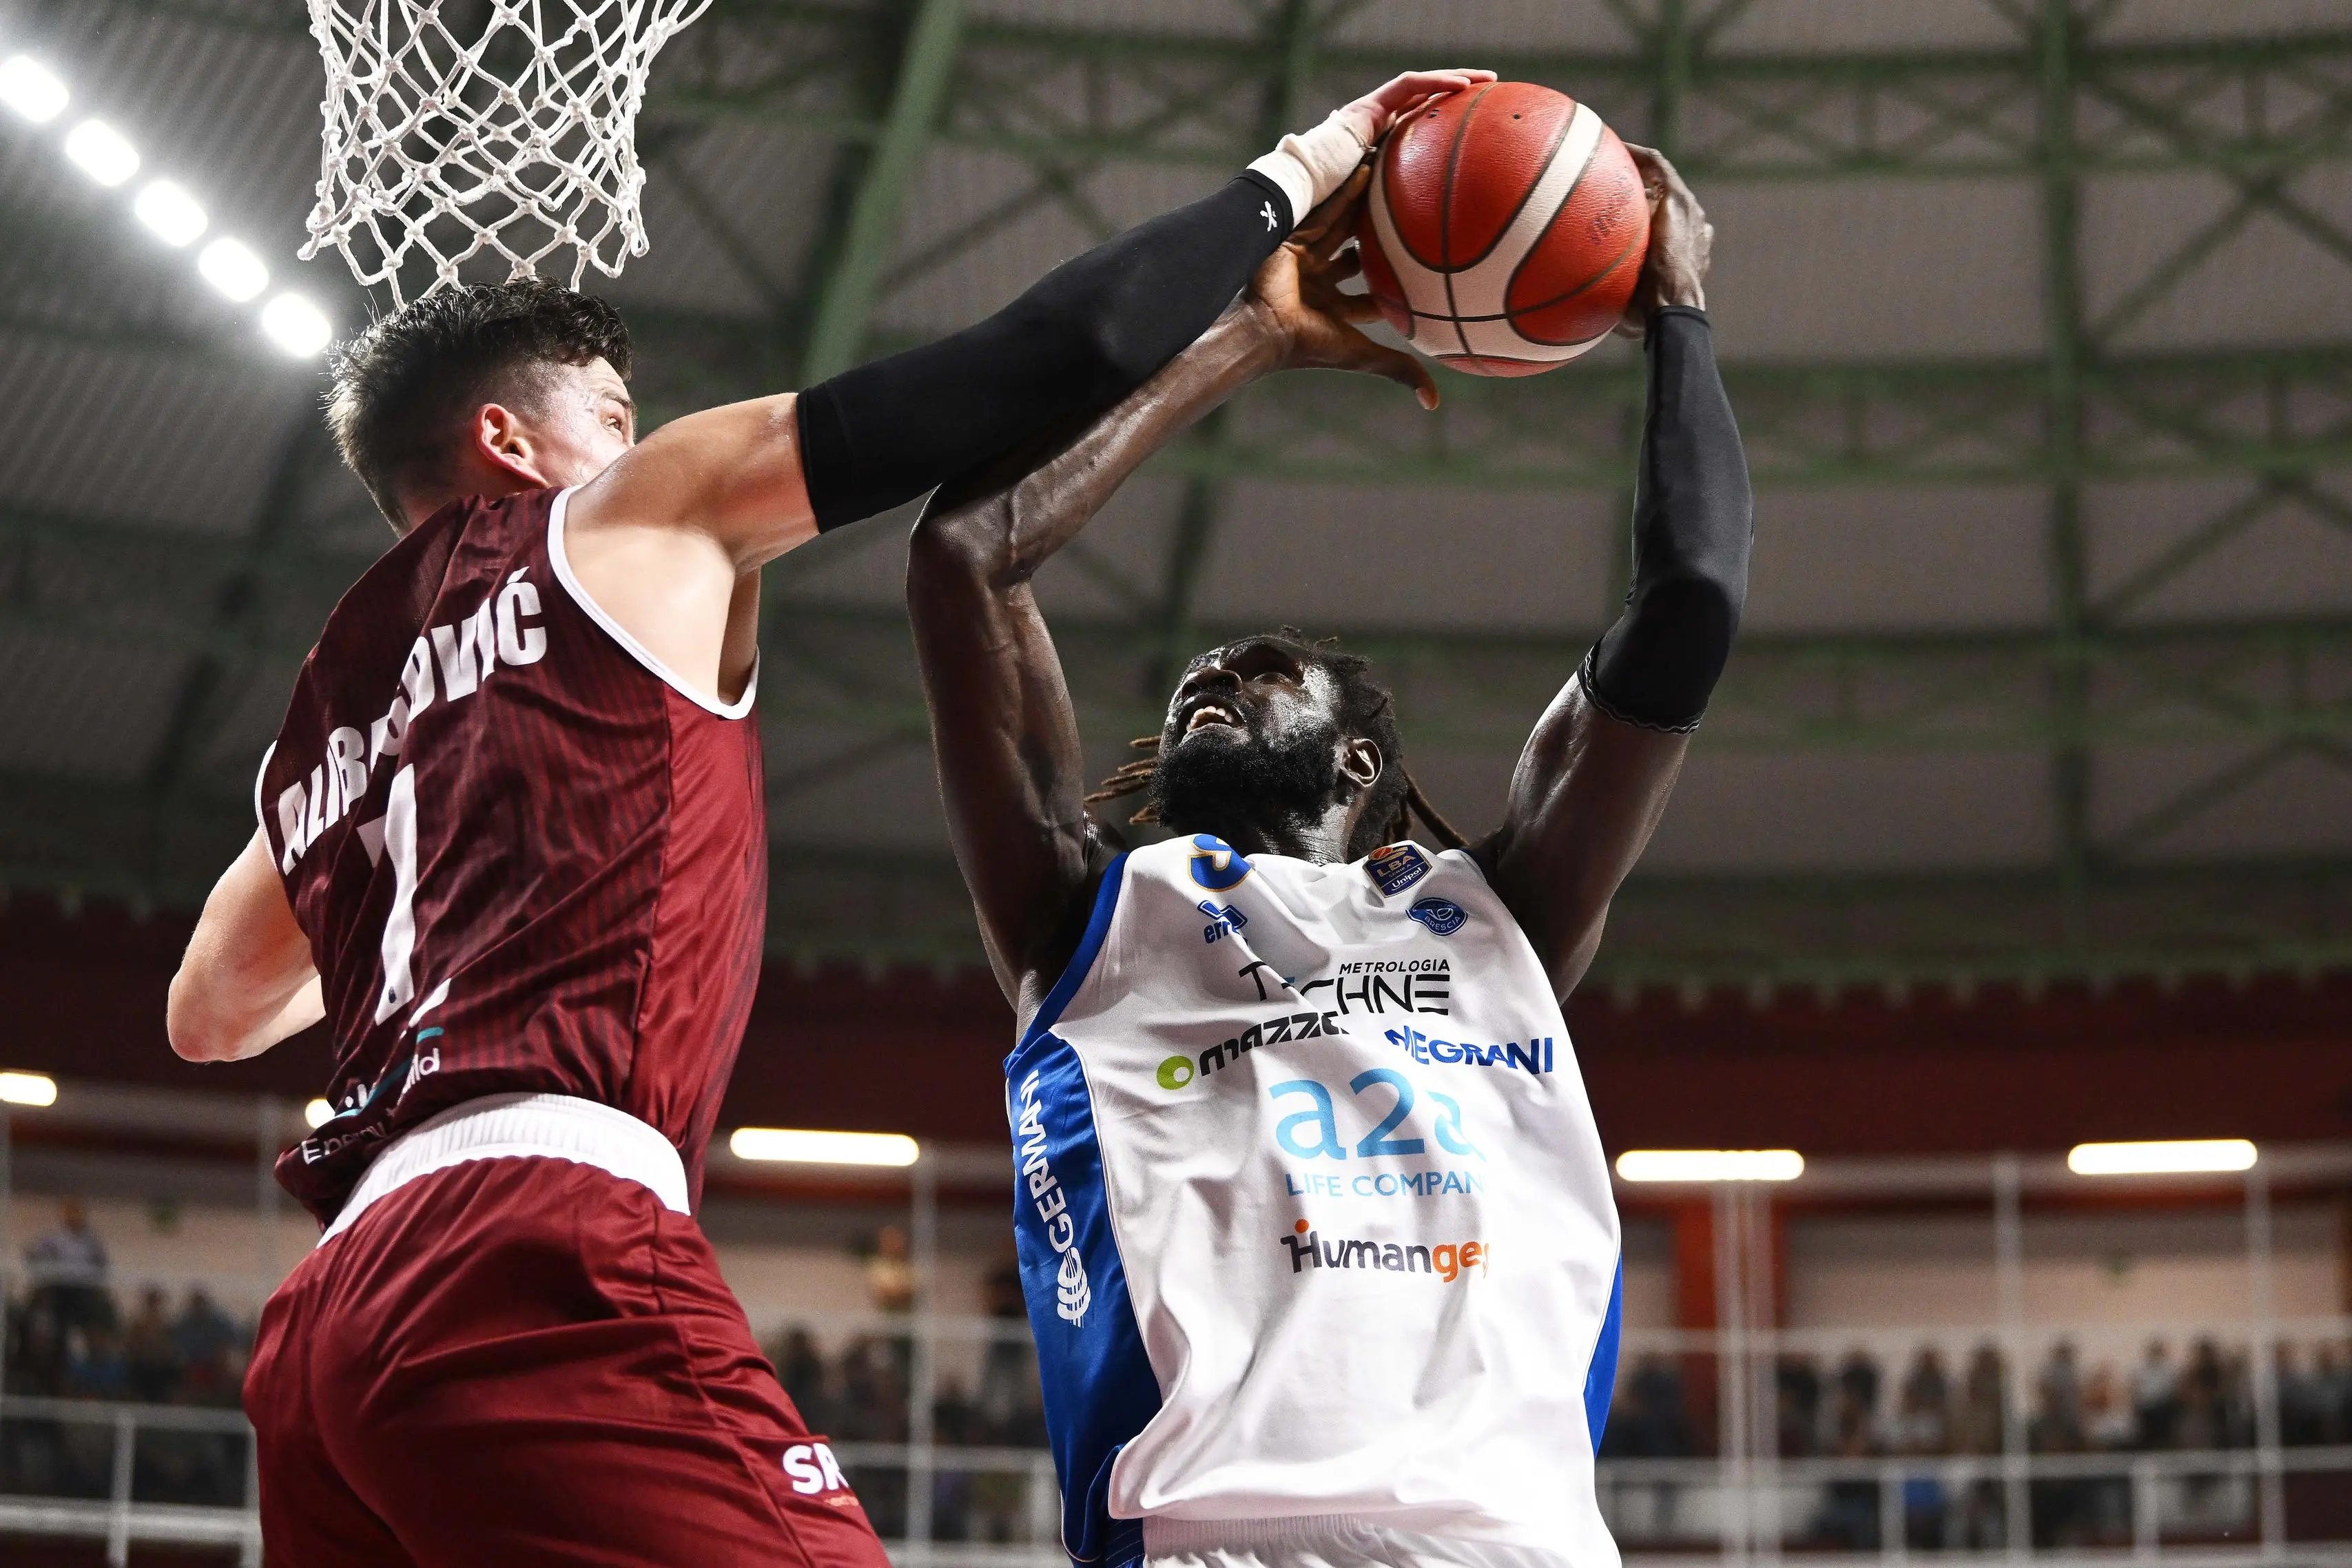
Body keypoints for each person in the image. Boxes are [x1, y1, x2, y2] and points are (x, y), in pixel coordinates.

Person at [162, 63, 1494, 1566]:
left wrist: (454, 876)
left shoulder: (325, 728)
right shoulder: (625, 518)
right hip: (536, 1237)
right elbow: (1058, 349)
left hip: (329, 1316)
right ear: (507, 443)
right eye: (612, 411)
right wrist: (1310, 165)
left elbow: (211, 1011)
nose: (636, 431)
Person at [907, 143, 1745, 1568]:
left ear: (1360, 764)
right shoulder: (1092, 916)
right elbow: (968, 551)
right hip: (1224, 1535)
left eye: (1269, 668)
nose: (1216, 667)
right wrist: (1251, 339)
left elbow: (1690, 601)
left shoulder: (1501, 911)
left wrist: (1675, 317)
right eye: (1206, 669)